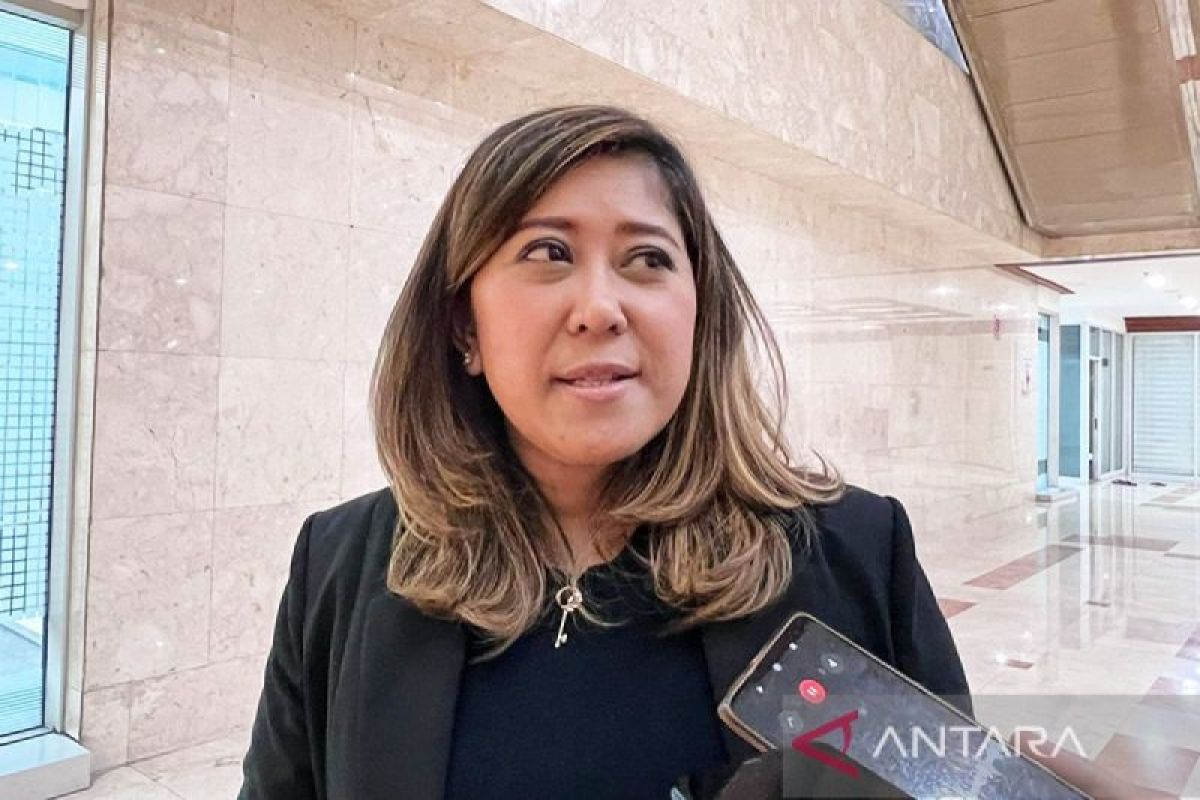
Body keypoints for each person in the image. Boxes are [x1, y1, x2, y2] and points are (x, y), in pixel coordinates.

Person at [236, 105, 1155, 800]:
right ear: (462, 328)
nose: (601, 307)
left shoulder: (853, 551)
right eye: (547, 252)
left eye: (647, 259)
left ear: (698, 316)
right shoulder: (341, 565)